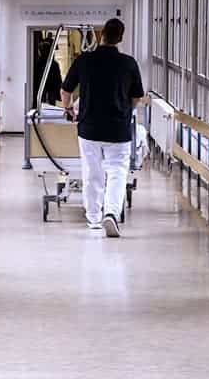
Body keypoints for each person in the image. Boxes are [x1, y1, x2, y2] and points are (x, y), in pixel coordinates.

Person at [60, 18, 145, 237]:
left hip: (89, 129)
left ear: (101, 35)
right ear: (121, 38)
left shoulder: (85, 60)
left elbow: (65, 90)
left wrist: (69, 109)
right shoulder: (129, 63)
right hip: (118, 129)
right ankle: (112, 214)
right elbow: (137, 97)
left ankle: (94, 219)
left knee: (92, 173)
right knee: (117, 172)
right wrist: (127, 110)